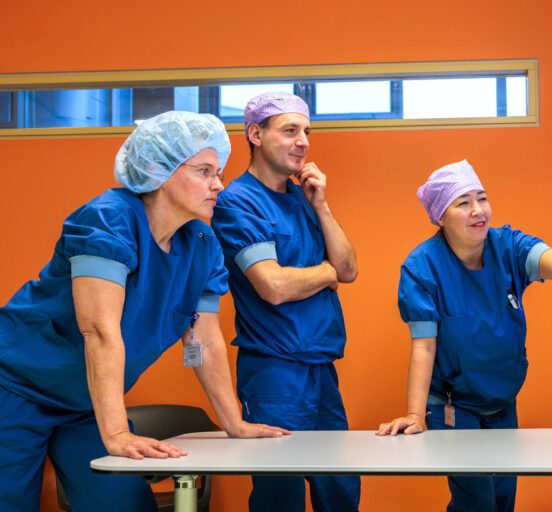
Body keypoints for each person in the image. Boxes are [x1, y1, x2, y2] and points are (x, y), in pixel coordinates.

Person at [0, 111, 289, 512]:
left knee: (125, 503)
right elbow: (98, 330)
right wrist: (117, 431)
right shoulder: (108, 220)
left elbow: (204, 340)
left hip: (86, 400)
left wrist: (234, 423)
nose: (218, 183)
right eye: (205, 171)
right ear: (158, 169)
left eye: (218, 171)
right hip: (14, 387)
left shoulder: (202, 244)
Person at [376, 160, 552, 511]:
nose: (479, 211)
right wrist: (415, 416)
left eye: (482, 198)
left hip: (501, 399)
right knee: (476, 500)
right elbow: (424, 346)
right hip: (453, 404)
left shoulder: (508, 246)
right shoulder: (422, 268)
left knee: (504, 498)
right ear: (440, 217)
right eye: (463, 203)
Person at [211, 93, 360, 511]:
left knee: (341, 490)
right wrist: (328, 273)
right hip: (275, 371)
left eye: (307, 131)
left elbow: (348, 268)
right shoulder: (237, 201)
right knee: (282, 497)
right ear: (255, 134)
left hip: (321, 366)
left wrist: (323, 207)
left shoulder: (305, 197)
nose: (303, 141)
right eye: (290, 130)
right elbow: (272, 284)